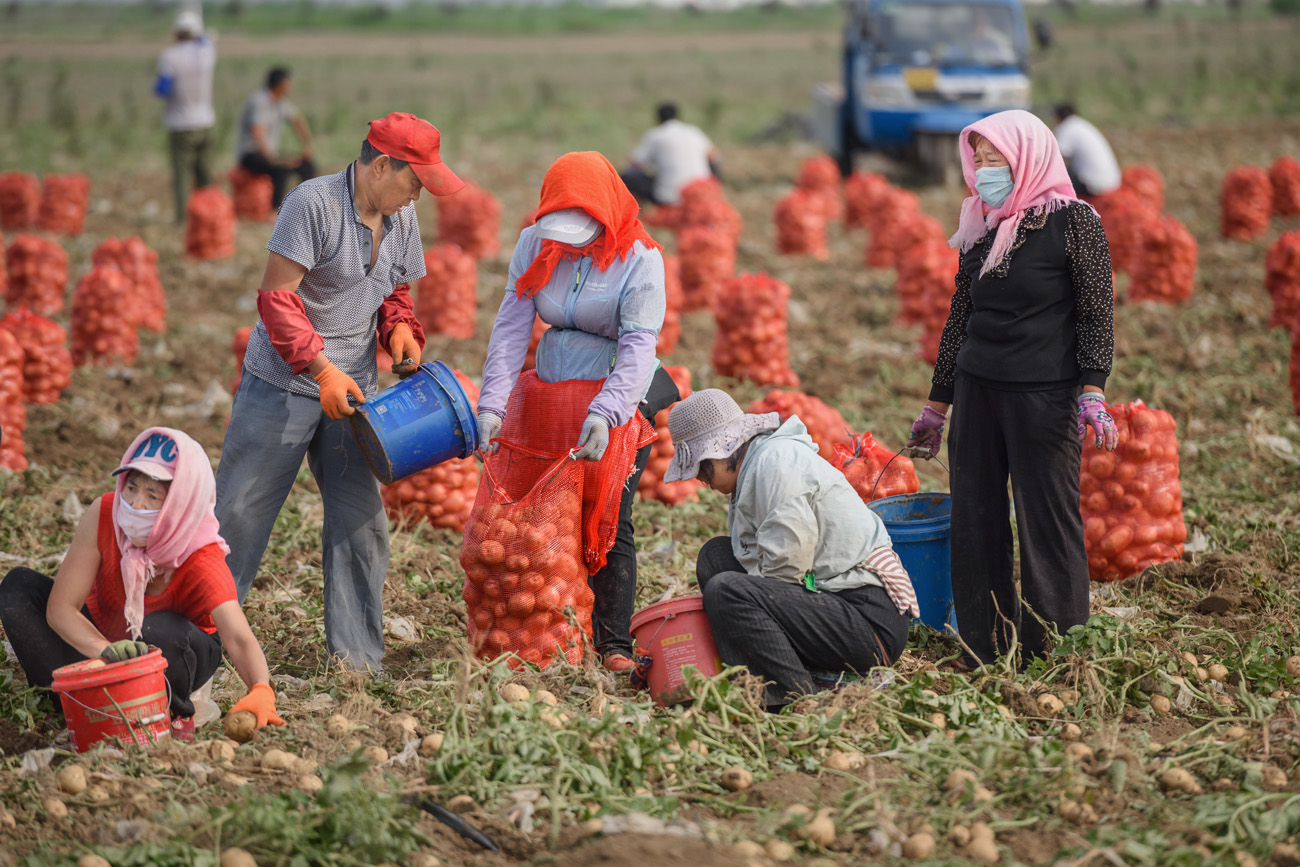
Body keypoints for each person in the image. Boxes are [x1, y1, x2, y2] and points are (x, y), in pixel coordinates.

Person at [215, 112, 462, 674]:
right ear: (381, 166)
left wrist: (399, 327)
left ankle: (356, 660)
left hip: (354, 394)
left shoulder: (402, 214)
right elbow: (277, 298)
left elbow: (395, 288)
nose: (419, 193)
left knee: (361, 519)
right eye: (414, 180)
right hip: (282, 384)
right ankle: (195, 644)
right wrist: (321, 370)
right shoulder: (313, 204)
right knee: (240, 515)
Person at [905, 109, 1117, 669]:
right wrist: (937, 404)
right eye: (977, 158)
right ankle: (986, 646)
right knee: (976, 520)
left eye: (993, 158)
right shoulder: (980, 221)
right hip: (979, 391)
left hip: (1043, 396)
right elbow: (960, 317)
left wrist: (1092, 389)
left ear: (1026, 158)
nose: (982, 169)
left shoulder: (1075, 222)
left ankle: (1056, 650)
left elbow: (1097, 315)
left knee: (1047, 521)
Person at [477, 151, 676, 673]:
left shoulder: (640, 258)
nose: (571, 243)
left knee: (609, 515)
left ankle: (612, 644)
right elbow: (511, 327)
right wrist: (492, 405)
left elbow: (639, 347)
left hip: (618, 391)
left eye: (582, 231)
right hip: (547, 392)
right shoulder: (534, 243)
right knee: (544, 516)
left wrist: (607, 413)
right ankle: (553, 626)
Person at [0, 427, 283, 739]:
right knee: (19, 587)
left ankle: (171, 710)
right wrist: (105, 651)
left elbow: (239, 638)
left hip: (172, 651)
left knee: (158, 629)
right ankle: (66, 703)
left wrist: (261, 688)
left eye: (153, 495)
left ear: (182, 502)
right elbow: (61, 608)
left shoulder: (201, 555)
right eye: (132, 487)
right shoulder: (105, 514)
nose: (135, 504)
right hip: (101, 641)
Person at [662, 389, 918, 710]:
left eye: (701, 467)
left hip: (867, 626)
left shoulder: (776, 464)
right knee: (715, 557)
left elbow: (786, 567)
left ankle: (789, 692)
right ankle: (782, 670)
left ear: (725, 449)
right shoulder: (754, 468)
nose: (700, 479)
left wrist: (738, 604)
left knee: (726, 590)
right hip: (832, 605)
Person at [155, 8, 216, 224]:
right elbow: (207, 40)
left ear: (176, 33)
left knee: (182, 176)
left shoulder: (170, 56)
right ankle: (209, 216)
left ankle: (182, 220)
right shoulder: (207, 53)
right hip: (205, 121)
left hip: (180, 124)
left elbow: (162, 89)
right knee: (204, 174)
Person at [236, 67, 316, 209]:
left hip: (271, 153)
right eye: (288, 83)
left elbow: (298, 122)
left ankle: (309, 205)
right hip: (251, 153)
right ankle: (275, 211)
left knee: (307, 166)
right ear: (281, 84)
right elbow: (257, 134)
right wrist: (275, 159)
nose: (290, 87)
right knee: (281, 170)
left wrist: (306, 146)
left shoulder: (281, 103)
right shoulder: (259, 102)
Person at [620, 103, 719, 206]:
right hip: (700, 192)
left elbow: (635, 163)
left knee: (628, 176)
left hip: (668, 198)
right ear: (678, 117)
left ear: (658, 119)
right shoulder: (693, 131)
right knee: (714, 164)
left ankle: (636, 208)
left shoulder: (655, 134)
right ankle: (714, 194)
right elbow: (714, 156)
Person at [1053, 104, 1122, 198]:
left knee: (1053, 182)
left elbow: (1059, 161)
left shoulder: (1066, 128)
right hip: (1113, 181)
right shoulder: (1081, 124)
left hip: (1094, 184)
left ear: (1058, 117)